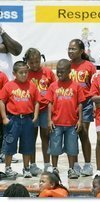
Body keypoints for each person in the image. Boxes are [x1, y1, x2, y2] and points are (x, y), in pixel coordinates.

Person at [45, 59, 86, 179]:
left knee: (72, 147)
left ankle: (71, 169)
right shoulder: (53, 86)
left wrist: (80, 120)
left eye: (62, 72)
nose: (59, 74)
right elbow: (50, 103)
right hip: (56, 123)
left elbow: (80, 104)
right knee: (54, 146)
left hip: (72, 123)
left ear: (69, 71)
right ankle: (54, 168)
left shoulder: (76, 86)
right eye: (58, 71)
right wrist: (49, 120)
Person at [0, 61, 39, 178]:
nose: (24, 75)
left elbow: (37, 101)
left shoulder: (32, 86)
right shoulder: (9, 86)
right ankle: (8, 168)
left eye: (26, 72)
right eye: (21, 73)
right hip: (13, 120)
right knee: (9, 144)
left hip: (27, 120)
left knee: (27, 145)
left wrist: (35, 116)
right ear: (14, 73)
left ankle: (26, 168)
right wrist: (4, 118)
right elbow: (2, 101)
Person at [25, 48, 56, 176]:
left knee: (45, 137)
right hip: (30, 111)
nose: (34, 65)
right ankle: (32, 165)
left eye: (37, 62)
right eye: (31, 62)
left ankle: (47, 164)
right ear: (26, 62)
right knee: (31, 138)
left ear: (41, 60)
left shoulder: (48, 72)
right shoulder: (25, 73)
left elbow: (55, 89)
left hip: (44, 110)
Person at [68, 39, 97, 176]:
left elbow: (95, 86)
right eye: (69, 48)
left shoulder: (89, 66)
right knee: (72, 134)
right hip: (70, 104)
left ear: (81, 51)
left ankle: (87, 165)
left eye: (73, 49)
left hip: (85, 104)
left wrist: (95, 104)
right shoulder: (67, 65)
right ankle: (74, 165)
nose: (70, 51)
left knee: (83, 132)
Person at [0, 24, 22, 164]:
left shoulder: (8, 29)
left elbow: (16, 50)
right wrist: (4, 47)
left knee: (7, 121)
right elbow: (9, 48)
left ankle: (5, 152)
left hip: (7, 85)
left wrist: (2, 33)